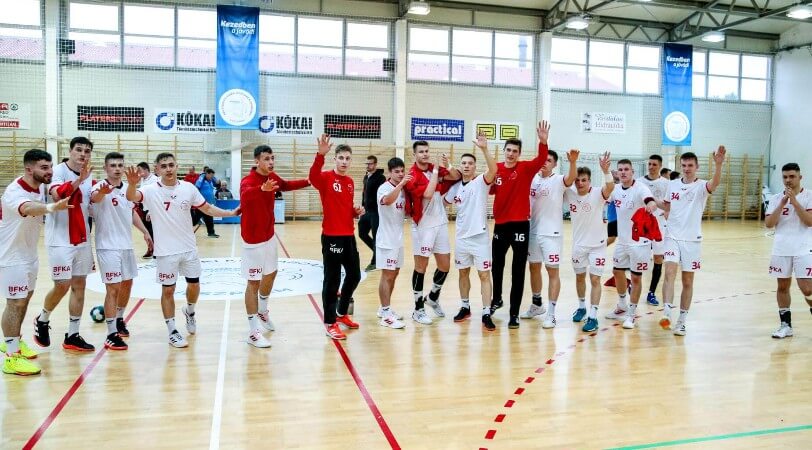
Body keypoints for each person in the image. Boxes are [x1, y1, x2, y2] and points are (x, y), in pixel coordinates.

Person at [125, 153, 240, 348]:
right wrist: (131, 184)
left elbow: (207, 208)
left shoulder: (188, 188)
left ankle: (190, 311)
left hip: (188, 248)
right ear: (157, 169)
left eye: (171, 165)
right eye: (164, 166)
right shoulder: (150, 189)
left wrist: (230, 213)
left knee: (194, 286)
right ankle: (172, 331)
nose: (168, 169)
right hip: (165, 251)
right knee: (168, 290)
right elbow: (131, 196)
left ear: (177, 166)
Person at [1, 150, 70, 376]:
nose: (49, 171)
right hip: (11, 257)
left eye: (50, 167)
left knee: (25, 300)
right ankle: (11, 358)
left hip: (29, 254)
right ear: (29, 169)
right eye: (44, 167)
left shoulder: (40, 185)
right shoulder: (15, 191)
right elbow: (28, 208)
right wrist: (51, 208)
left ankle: (14, 342)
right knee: (15, 303)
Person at [239, 145, 310, 347]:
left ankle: (262, 310)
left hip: (269, 236)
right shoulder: (248, 181)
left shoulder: (272, 177)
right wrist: (261, 189)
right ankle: (253, 332)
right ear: (257, 161)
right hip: (253, 240)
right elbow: (245, 196)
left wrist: (308, 181)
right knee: (253, 283)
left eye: (272, 158)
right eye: (266, 159)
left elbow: (285, 185)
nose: (270, 162)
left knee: (271, 273)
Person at [34, 137, 97, 352]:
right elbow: (58, 194)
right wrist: (79, 180)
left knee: (80, 285)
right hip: (60, 239)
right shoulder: (58, 172)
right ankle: (43, 318)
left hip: (82, 238)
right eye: (79, 150)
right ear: (70, 151)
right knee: (62, 285)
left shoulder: (88, 176)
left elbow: (89, 206)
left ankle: (72, 335)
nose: (83, 154)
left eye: (87, 151)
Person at [89, 152, 153, 351]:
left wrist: (145, 232)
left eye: (120, 165)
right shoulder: (98, 187)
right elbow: (96, 198)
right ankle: (110, 334)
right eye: (113, 165)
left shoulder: (128, 189)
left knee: (127, 283)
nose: (117, 169)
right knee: (113, 288)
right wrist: (103, 192)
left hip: (126, 245)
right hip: (107, 246)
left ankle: (118, 319)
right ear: (105, 168)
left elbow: (131, 211)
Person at [489, 121, 550, 328]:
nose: (511, 154)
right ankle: (496, 299)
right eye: (508, 150)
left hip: (520, 225)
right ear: (504, 151)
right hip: (500, 225)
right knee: (497, 266)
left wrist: (543, 141)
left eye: (515, 151)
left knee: (518, 271)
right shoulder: (496, 169)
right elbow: (489, 188)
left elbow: (541, 159)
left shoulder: (525, 168)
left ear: (519, 153)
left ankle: (514, 313)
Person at [659, 148, 726, 336]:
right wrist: (649, 201)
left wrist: (718, 164)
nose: (687, 168)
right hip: (672, 236)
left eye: (690, 165)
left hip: (692, 240)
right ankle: (666, 313)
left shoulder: (702, 186)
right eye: (684, 165)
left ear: (697, 167)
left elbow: (715, 183)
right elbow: (667, 207)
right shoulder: (672, 185)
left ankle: (682, 321)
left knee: (687, 280)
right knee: (669, 272)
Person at [309, 135, 363, 340]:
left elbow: (345, 209)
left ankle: (341, 313)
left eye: (347, 158)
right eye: (341, 158)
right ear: (335, 159)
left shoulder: (349, 182)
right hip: (332, 236)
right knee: (332, 280)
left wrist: (355, 212)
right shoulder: (325, 178)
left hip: (348, 235)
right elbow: (313, 176)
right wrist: (320, 155)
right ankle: (330, 322)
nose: (344, 162)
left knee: (354, 275)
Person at [403, 141, 461, 325]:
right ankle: (418, 309)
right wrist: (437, 172)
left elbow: (456, 176)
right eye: (421, 152)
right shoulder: (412, 175)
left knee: (445, 265)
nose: (425, 154)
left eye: (427, 151)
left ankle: (433, 297)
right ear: (414, 155)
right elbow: (428, 194)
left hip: (440, 223)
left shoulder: (432, 168)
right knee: (421, 267)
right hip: (424, 226)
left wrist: (448, 165)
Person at [444, 133, 498, 329]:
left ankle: (486, 312)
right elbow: (442, 203)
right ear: (460, 166)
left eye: (470, 163)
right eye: (464, 163)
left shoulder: (481, 182)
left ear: (475, 167)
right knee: (463, 273)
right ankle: (465, 306)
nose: (467, 166)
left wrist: (484, 148)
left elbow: (494, 169)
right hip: (461, 238)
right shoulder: (455, 188)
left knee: (484, 275)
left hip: (480, 238)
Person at [523, 148, 578, 328]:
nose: (544, 163)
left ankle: (552, 314)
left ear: (554, 164)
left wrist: (572, 162)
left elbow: (571, 178)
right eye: (543, 159)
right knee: (533, 268)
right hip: (533, 231)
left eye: (548, 160)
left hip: (552, 234)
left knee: (552, 271)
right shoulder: (532, 179)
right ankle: (537, 304)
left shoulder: (558, 180)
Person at [605, 159, 658, 330]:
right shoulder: (616, 189)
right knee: (617, 272)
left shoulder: (640, 188)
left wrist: (651, 205)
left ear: (632, 172)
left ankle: (632, 313)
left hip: (639, 243)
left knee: (636, 277)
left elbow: (649, 199)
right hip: (622, 241)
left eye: (626, 169)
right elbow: (603, 197)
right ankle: (622, 305)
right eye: (620, 169)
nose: (623, 172)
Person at [565, 152, 614, 333]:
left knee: (595, 279)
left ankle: (593, 316)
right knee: (580, 277)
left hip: (597, 246)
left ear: (589, 181)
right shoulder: (570, 194)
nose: (580, 183)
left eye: (584, 180)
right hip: (578, 246)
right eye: (577, 180)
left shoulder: (598, 193)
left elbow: (610, 186)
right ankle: (581, 307)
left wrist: (606, 171)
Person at [764, 163, 812, 338]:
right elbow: (769, 224)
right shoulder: (776, 198)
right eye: (785, 177)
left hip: (804, 249)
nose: (788, 180)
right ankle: (786, 325)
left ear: (800, 177)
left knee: (807, 288)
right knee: (782, 286)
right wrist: (782, 203)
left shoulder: (809, 196)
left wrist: (794, 202)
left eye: (792, 176)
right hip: (781, 249)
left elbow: (809, 221)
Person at [375, 157, 412, 329]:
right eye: (396, 171)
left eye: (402, 171)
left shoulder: (403, 190)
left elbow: (406, 212)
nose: (400, 174)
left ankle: (385, 309)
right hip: (386, 240)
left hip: (398, 240)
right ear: (390, 173)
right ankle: (385, 314)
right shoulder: (384, 188)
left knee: (395, 274)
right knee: (387, 275)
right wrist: (401, 185)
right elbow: (388, 201)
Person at [637, 154, 670, 307]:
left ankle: (651, 292)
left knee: (658, 259)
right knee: (638, 258)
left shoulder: (666, 184)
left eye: (654, 164)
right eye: (649, 164)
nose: (651, 167)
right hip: (643, 226)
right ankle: (633, 285)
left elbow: (669, 204)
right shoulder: (639, 182)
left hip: (660, 226)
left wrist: (667, 211)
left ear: (660, 166)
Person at [359, 155, 386, 272]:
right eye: (366, 163)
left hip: (376, 212)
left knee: (376, 237)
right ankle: (378, 254)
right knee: (362, 233)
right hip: (366, 211)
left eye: (370, 163)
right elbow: (364, 193)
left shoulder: (380, 178)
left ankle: (375, 262)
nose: (368, 165)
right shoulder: (366, 177)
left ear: (375, 164)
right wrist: (362, 207)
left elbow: (382, 195)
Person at [135, 161, 157, 258]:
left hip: (152, 209)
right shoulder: (142, 180)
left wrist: (151, 211)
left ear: (146, 169)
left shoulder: (154, 180)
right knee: (147, 231)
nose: (138, 172)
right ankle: (151, 249)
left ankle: (156, 251)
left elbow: (156, 197)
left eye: (139, 170)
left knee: (154, 231)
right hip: (144, 208)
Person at [194, 168, 219, 238]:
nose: (212, 177)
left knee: (209, 218)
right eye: (211, 175)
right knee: (195, 220)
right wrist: (198, 199)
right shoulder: (201, 178)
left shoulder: (210, 181)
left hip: (208, 203)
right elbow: (196, 187)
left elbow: (217, 184)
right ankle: (185, 229)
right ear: (207, 174)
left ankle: (211, 233)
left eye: (213, 176)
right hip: (201, 203)